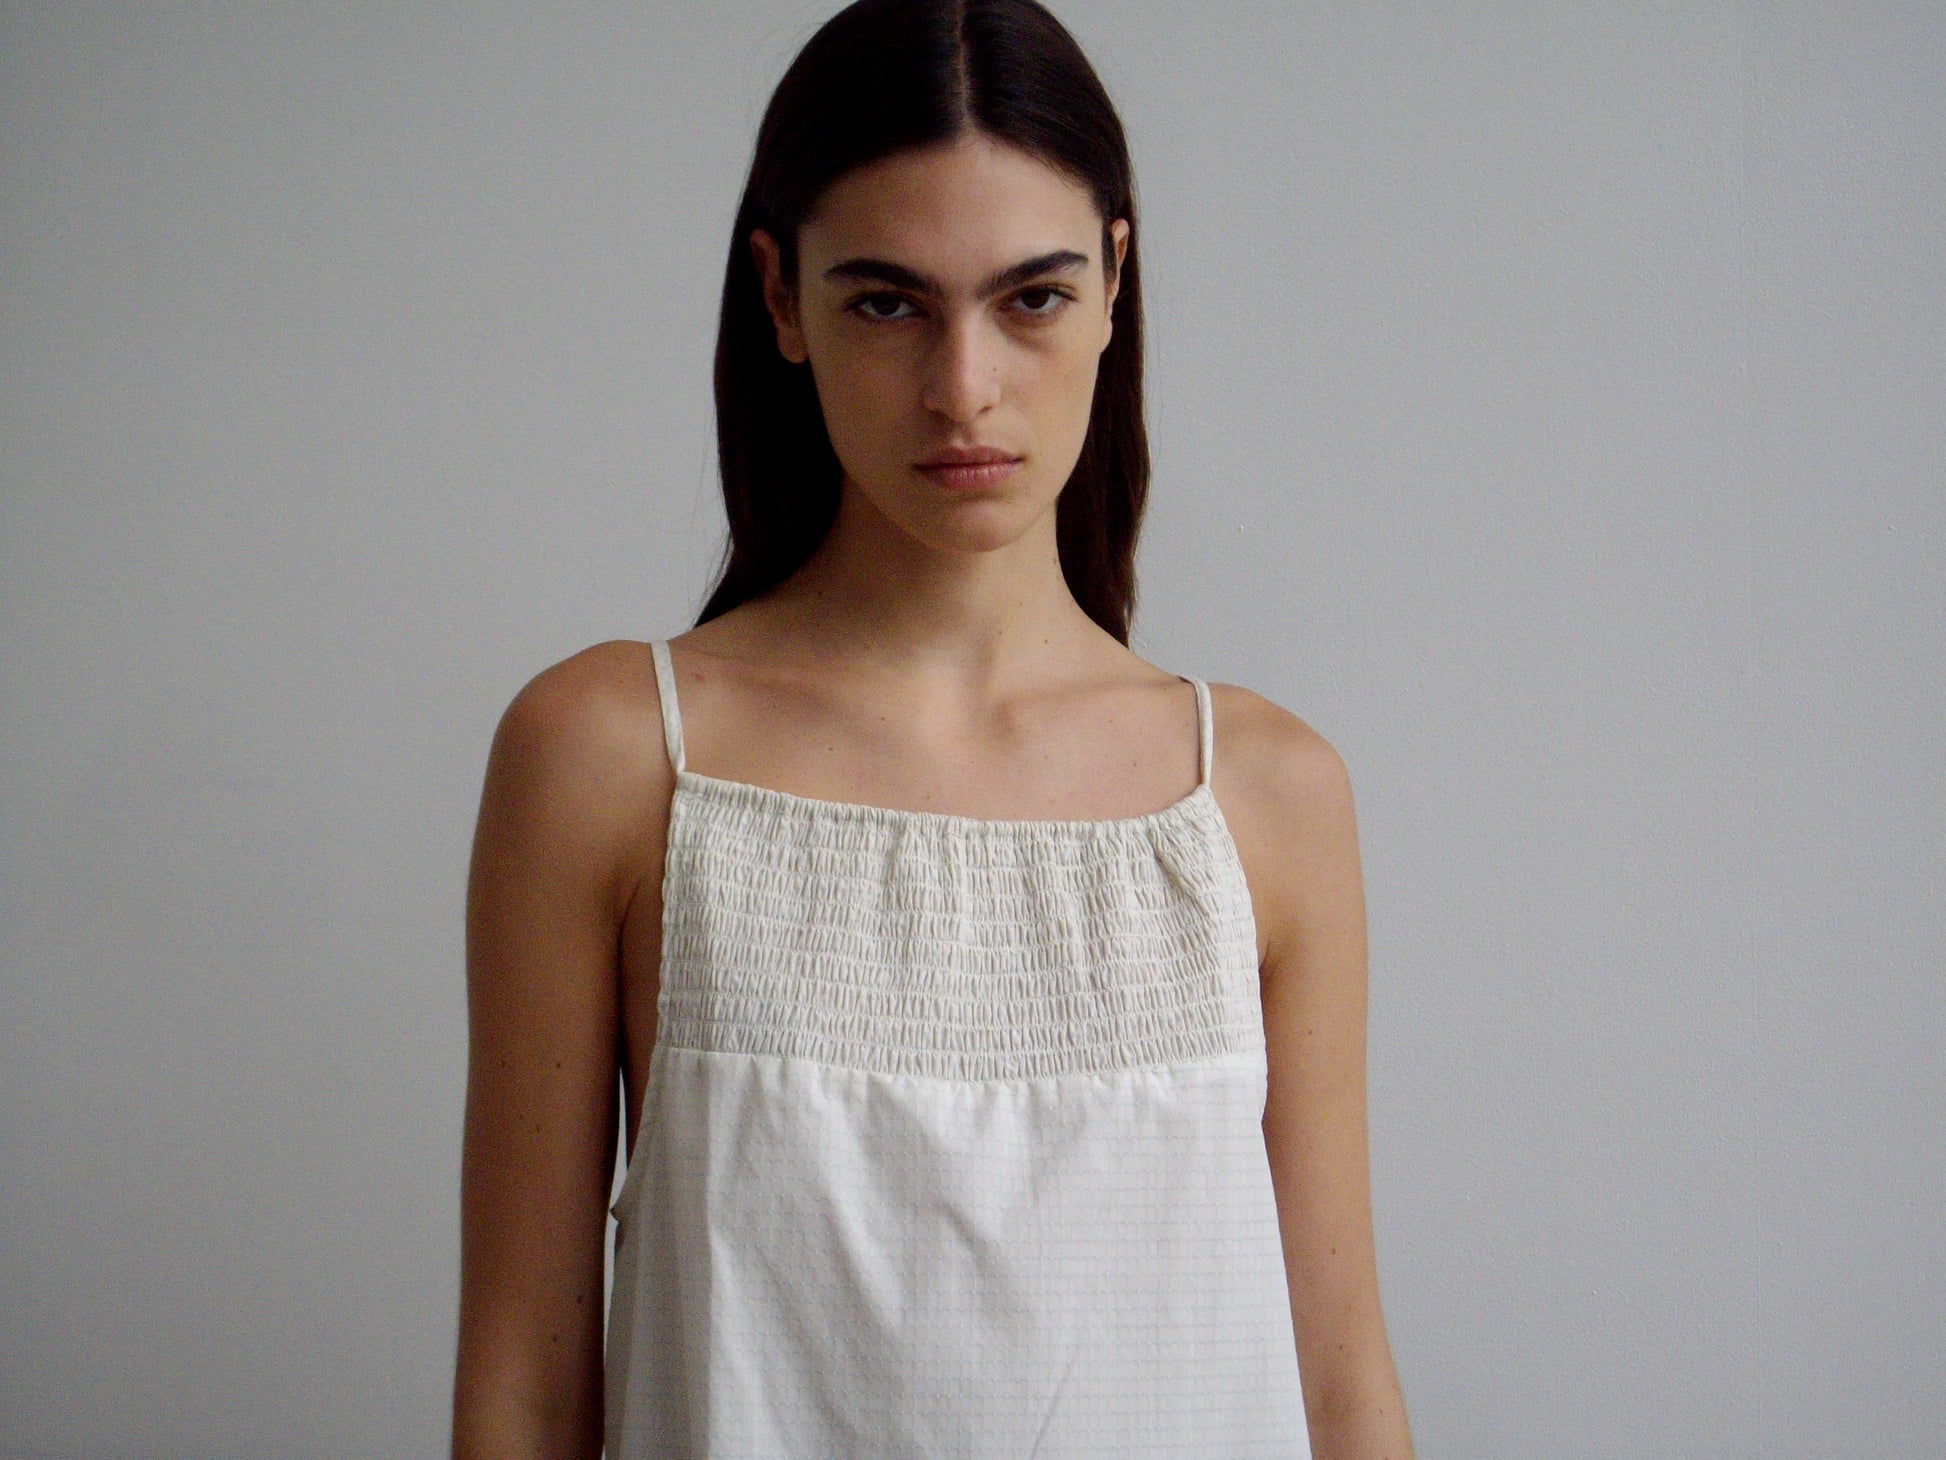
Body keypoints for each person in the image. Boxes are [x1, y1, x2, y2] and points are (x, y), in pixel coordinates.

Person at [451, 1, 1413, 1455]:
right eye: (887, 303)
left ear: (1114, 285)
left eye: (1031, 298)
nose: (964, 389)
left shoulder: (1262, 796)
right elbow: (522, 1385)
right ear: (781, 300)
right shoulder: (614, 756)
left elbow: (1338, 1380)